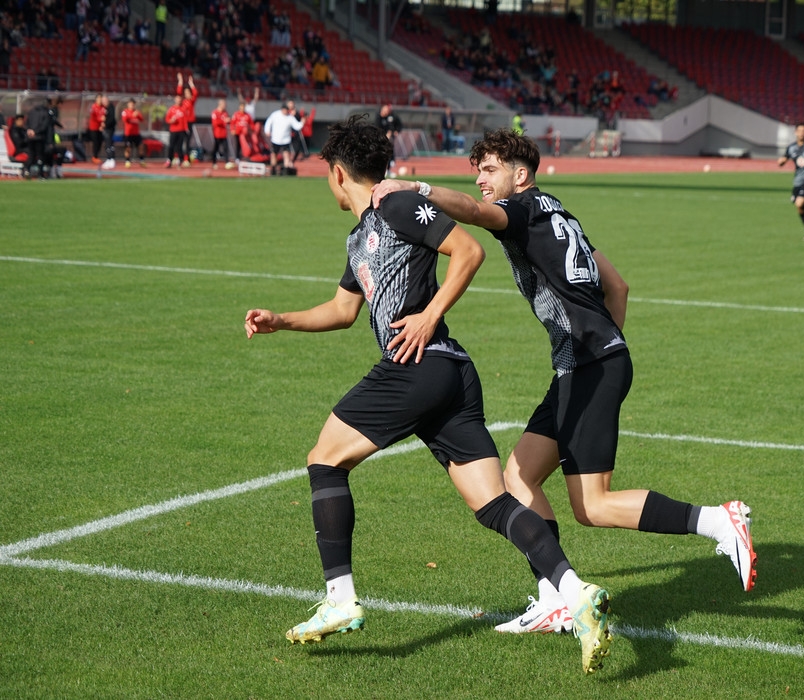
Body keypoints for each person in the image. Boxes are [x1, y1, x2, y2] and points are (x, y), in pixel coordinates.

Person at [242, 115, 612, 675]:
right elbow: (343, 310)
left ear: (338, 174)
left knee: (324, 460)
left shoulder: (394, 205)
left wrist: (428, 315)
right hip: (449, 374)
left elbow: (468, 251)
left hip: (417, 365)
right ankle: (573, 591)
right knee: (493, 504)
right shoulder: (360, 235)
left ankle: (340, 598)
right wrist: (281, 320)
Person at [371, 129, 757, 635]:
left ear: (520, 175)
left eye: (489, 170)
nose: (481, 179)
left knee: (592, 505)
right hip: (589, 364)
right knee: (518, 477)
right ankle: (554, 597)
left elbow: (474, 212)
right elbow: (618, 286)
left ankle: (718, 520)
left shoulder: (521, 208)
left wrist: (415, 188)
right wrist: (608, 346)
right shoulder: (559, 212)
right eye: (478, 171)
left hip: (590, 365)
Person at [263, 100, 303, 173]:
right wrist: (267, 130)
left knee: (286, 154)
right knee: (274, 154)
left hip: (285, 140)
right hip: (276, 139)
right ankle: (273, 169)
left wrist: (303, 122)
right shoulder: (275, 115)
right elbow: (269, 122)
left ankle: (286, 169)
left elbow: (297, 126)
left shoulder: (290, 117)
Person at [177, 73, 198, 166]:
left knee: (187, 141)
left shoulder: (191, 101)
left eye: (188, 93)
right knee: (180, 141)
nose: (187, 94)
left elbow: (196, 93)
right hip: (182, 123)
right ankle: (179, 157)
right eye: (185, 93)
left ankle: (186, 159)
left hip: (189, 123)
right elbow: (178, 92)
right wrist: (180, 82)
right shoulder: (183, 101)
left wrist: (191, 84)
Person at [120, 98, 145, 168]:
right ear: (128, 104)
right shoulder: (125, 112)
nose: (132, 105)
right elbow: (125, 119)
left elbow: (142, 119)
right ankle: (127, 161)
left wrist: (137, 115)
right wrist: (132, 116)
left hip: (136, 134)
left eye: (133, 104)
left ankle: (142, 160)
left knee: (141, 146)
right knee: (128, 148)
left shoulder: (136, 112)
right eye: (130, 104)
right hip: (128, 134)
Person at [164, 94, 188, 167]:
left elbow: (185, 120)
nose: (178, 101)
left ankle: (180, 160)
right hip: (173, 130)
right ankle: (169, 160)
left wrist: (186, 129)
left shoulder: (183, 109)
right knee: (171, 146)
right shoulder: (171, 109)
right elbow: (167, 119)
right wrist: (171, 121)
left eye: (180, 99)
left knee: (179, 146)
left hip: (181, 130)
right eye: (177, 99)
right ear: (175, 100)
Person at [377, 104, 402, 172]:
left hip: (388, 137)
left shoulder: (391, 117)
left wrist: (395, 131)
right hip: (380, 138)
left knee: (389, 149)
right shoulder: (378, 118)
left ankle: (389, 165)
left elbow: (394, 127)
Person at [210, 98, 233, 169]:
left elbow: (227, 121)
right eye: (224, 104)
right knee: (215, 148)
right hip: (217, 134)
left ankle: (227, 162)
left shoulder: (225, 113)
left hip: (224, 134)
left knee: (226, 148)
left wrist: (229, 121)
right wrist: (223, 121)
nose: (225, 106)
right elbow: (215, 123)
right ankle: (214, 162)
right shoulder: (215, 113)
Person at [86, 93, 105, 164]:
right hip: (94, 127)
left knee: (100, 141)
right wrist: (100, 119)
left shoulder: (103, 107)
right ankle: (94, 156)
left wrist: (103, 123)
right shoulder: (93, 107)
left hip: (100, 128)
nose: (100, 100)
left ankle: (96, 156)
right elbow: (93, 116)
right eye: (98, 98)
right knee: (96, 142)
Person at [100, 95, 117, 169]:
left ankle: (111, 159)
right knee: (107, 144)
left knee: (109, 144)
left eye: (105, 100)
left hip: (109, 129)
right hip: (106, 128)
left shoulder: (110, 108)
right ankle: (109, 158)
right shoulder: (104, 108)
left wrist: (105, 124)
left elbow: (112, 119)